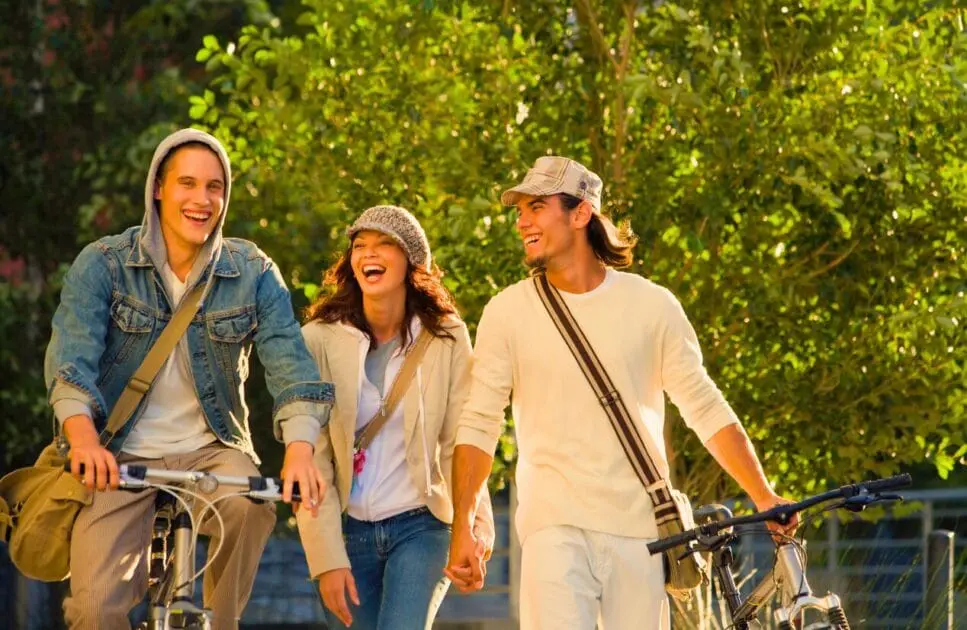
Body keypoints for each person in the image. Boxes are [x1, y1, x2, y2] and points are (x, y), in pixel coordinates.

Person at [445, 156, 797, 629]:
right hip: (554, 526)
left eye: (536, 206)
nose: (522, 221)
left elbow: (704, 405)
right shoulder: (507, 312)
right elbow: (480, 422)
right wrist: (463, 521)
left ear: (581, 212)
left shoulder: (652, 305)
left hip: (641, 532)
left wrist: (762, 493)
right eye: (520, 210)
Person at [44, 128, 332, 630]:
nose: (202, 200)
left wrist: (302, 450)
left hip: (211, 448)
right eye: (188, 184)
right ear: (158, 187)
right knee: (92, 610)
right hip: (118, 451)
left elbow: (290, 364)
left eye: (215, 187)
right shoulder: (105, 264)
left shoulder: (253, 271)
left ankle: (222, 623)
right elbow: (71, 360)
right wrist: (85, 441)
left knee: (249, 506)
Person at [296, 205, 494, 630]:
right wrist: (325, 558)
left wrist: (474, 527)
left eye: (385, 244)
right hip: (347, 533)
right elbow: (313, 458)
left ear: (411, 261)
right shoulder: (318, 340)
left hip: (421, 526)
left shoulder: (446, 336)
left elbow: (465, 436)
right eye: (361, 245)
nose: (371, 253)